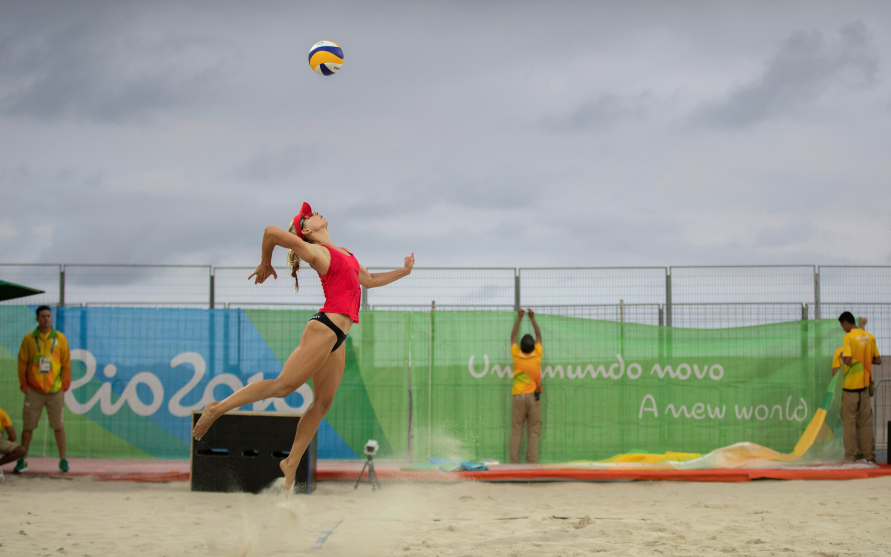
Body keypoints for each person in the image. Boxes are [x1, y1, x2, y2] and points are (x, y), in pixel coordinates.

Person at [192, 202, 414, 489]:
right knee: (283, 387)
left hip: (338, 337)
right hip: (324, 328)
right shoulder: (315, 252)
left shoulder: (344, 252)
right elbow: (270, 232)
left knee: (322, 402)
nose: (315, 213)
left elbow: (369, 281)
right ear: (306, 231)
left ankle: (291, 461)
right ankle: (216, 408)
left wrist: (404, 272)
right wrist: (265, 262)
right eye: (308, 216)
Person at [15, 305, 71, 473]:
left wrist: (65, 385)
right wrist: (24, 385)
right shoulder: (29, 339)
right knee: (28, 427)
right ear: (37, 319)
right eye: (43, 316)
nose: (46, 319)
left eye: (48, 316)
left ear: (51, 318)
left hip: (55, 391)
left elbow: (66, 364)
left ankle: (63, 460)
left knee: (59, 426)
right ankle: (22, 460)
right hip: (34, 391)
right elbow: (22, 363)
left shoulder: (60, 339)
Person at [837, 311, 881, 463]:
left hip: (850, 387)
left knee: (849, 423)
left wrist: (843, 356)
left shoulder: (848, 337)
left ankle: (851, 456)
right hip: (865, 386)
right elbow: (878, 360)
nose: (842, 328)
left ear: (846, 323)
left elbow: (848, 360)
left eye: (842, 325)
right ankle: (870, 456)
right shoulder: (870, 337)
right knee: (866, 423)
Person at [508, 308, 543, 464]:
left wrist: (519, 318)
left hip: (518, 397)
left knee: (516, 432)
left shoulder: (516, 355)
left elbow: (513, 336)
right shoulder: (537, 354)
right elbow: (539, 336)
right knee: (533, 432)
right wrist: (532, 318)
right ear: (533, 346)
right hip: (533, 399)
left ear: (521, 346)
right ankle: (532, 465)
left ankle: (514, 465)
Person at [0, 406, 27, 470]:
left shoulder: (2, 414)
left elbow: (12, 437)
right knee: (21, 450)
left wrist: (4, 446)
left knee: (21, 450)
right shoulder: (1, 413)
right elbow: (12, 437)